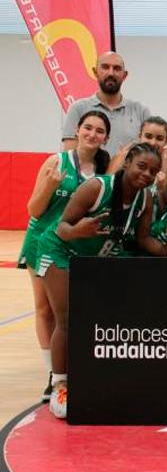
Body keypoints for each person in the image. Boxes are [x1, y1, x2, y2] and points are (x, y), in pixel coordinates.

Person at [35, 143, 165, 418]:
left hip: (94, 258)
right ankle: (60, 384)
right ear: (127, 162)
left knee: (104, 315)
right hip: (59, 250)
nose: (147, 174)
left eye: (153, 171)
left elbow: (143, 239)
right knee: (67, 318)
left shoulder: (145, 199)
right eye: (141, 166)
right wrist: (80, 231)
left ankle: (91, 375)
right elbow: (62, 228)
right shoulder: (97, 187)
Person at [18, 110, 111, 403]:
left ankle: (69, 367)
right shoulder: (56, 162)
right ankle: (52, 375)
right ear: (77, 130)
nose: (92, 134)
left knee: (68, 312)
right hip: (42, 241)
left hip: (73, 245)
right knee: (45, 309)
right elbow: (33, 209)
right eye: (88, 128)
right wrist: (49, 186)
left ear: (105, 137)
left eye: (99, 130)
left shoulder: (100, 172)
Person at [62, 52, 150, 155]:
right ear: (95, 72)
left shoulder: (141, 111)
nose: (111, 73)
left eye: (117, 68)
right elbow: (69, 158)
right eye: (105, 67)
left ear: (124, 75)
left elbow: (149, 154)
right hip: (87, 172)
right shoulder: (78, 108)